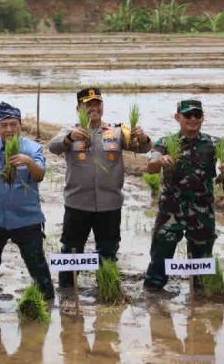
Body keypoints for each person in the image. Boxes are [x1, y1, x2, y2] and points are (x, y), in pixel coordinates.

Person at [48, 87, 151, 288]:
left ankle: (107, 290)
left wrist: (143, 136)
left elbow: (144, 148)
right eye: (88, 104)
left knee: (108, 251)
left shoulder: (117, 132)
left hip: (109, 205)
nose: (93, 108)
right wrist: (69, 137)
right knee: (71, 250)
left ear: (102, 107)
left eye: (97, 104)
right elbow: (53, 146)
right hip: (77, 204)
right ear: (78, 107)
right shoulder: (71, 132)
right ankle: (68, 292)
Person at [143, 99, 224, 290]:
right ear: (177, 117)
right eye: (188, 115)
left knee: (202, 265)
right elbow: (151, 166)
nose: (192, 119)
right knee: (160, 259)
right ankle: (153, 301)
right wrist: (160, 161)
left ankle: (200, 306)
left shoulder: (213, 143)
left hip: (202, 212)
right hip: (170, 212)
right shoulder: (165, 142)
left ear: (203, 118)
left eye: (197, 115)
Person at [0, 101, 54, 300]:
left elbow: (40, 175)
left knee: (38, 270)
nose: (9, 129)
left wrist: (29, 162)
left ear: (20, 125)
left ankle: (47, 304)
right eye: (4, 125)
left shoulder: (33, 149)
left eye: (13, 124)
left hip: (27, 220)